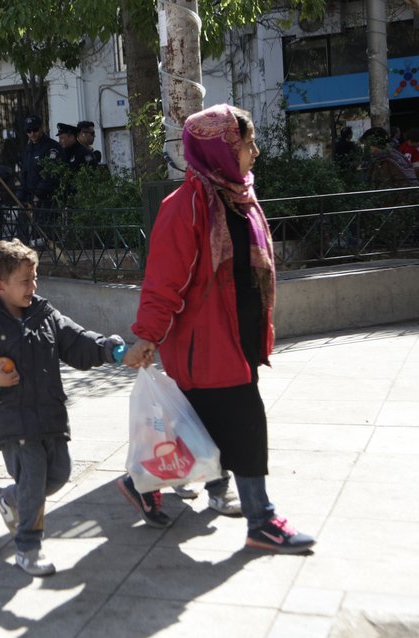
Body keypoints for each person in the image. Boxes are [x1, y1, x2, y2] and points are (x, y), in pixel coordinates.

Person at [119, 104, 316, 554]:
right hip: (206, 343)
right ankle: (261, 520)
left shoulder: (236, 194)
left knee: (200, 429)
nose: (255, 153)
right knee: (245, 424)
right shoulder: (185, 205)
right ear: (218, 149)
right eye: (246, 144)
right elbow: (164, 279)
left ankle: (142, 482)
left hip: (238, 334)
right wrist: (147, 335)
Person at [0, 239, 124, 575]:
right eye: (25, 281)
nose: (33, 286)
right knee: (34, 478)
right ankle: (28, 548)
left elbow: (76, 341)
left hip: (49, 415)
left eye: (35, 278)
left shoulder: (46, 316)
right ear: (0, 286)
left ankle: (10, 498)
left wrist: (106, 348)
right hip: (14, 422)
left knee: (59, 474)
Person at [16, 115, 61, 207]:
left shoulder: (51, 147)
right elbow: (25, 174)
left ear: (41, 128)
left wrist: (39, 194)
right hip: (32, 200)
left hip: (48, 200)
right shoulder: (28, 149)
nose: (32, 133)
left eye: (35, 129)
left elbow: (51, 173)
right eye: (28, 131)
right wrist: (21, 196)